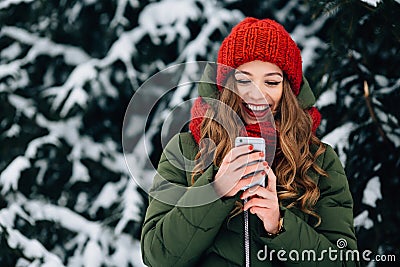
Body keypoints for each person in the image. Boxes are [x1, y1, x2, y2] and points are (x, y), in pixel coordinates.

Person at [140, 17, 359, 266]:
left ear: (287, 89)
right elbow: (157, 256)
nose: (257, 92)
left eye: (272, 82)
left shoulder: (318, 160)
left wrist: (279, 226)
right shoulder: (186, 149)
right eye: (243, 80)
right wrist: (214, 190)